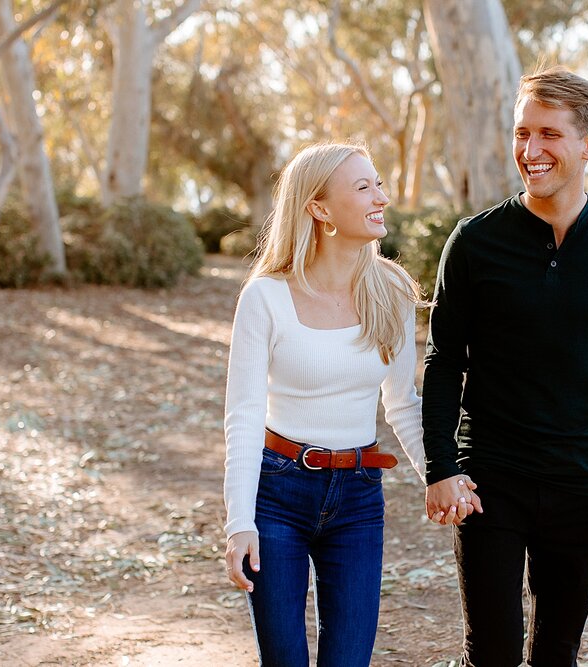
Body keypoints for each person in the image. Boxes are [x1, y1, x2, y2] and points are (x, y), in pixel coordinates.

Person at [421, 66, 588, 666]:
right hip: (489, 478)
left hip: (577, 480)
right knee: (490, 652)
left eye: (548, 135)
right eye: (521, 134)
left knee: (557, 654)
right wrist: (441, 466)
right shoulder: (475, 243)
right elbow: (442, 363)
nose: (529, 151)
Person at [222, 142, 476, 666]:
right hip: (278, 493)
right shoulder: (265, 297)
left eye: (378, 183)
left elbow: (402, 403)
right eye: (363, 188)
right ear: (318, 208)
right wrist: (239, 521)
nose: (381, 197)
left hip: (359, 497)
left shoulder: (391, 292)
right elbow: (243, 416)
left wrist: (439, 474)